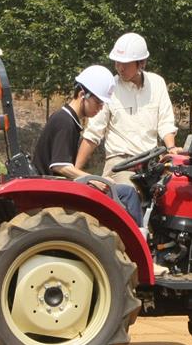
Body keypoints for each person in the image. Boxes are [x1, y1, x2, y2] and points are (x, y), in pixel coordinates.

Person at [32, 65, 143, 227]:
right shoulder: (65, 121)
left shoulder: (69, 119)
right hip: (55, 190)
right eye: (98, 102)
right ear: (83, 94)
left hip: (58, 186)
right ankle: (138, 242)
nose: (101, 108)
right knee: (127, 194)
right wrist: (92, 180)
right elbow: (60, 166)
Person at [75, 32, 178, 186]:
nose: (120, 68)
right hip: (120, 164)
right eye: (117, 63)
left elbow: (166, 123)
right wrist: (75, 171)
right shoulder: (109, 88)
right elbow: (93, 134)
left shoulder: (157, 84)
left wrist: (171, 148)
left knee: (175, 188)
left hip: (150, 163)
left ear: (141, 63)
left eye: (126, 64)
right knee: (130, 193)